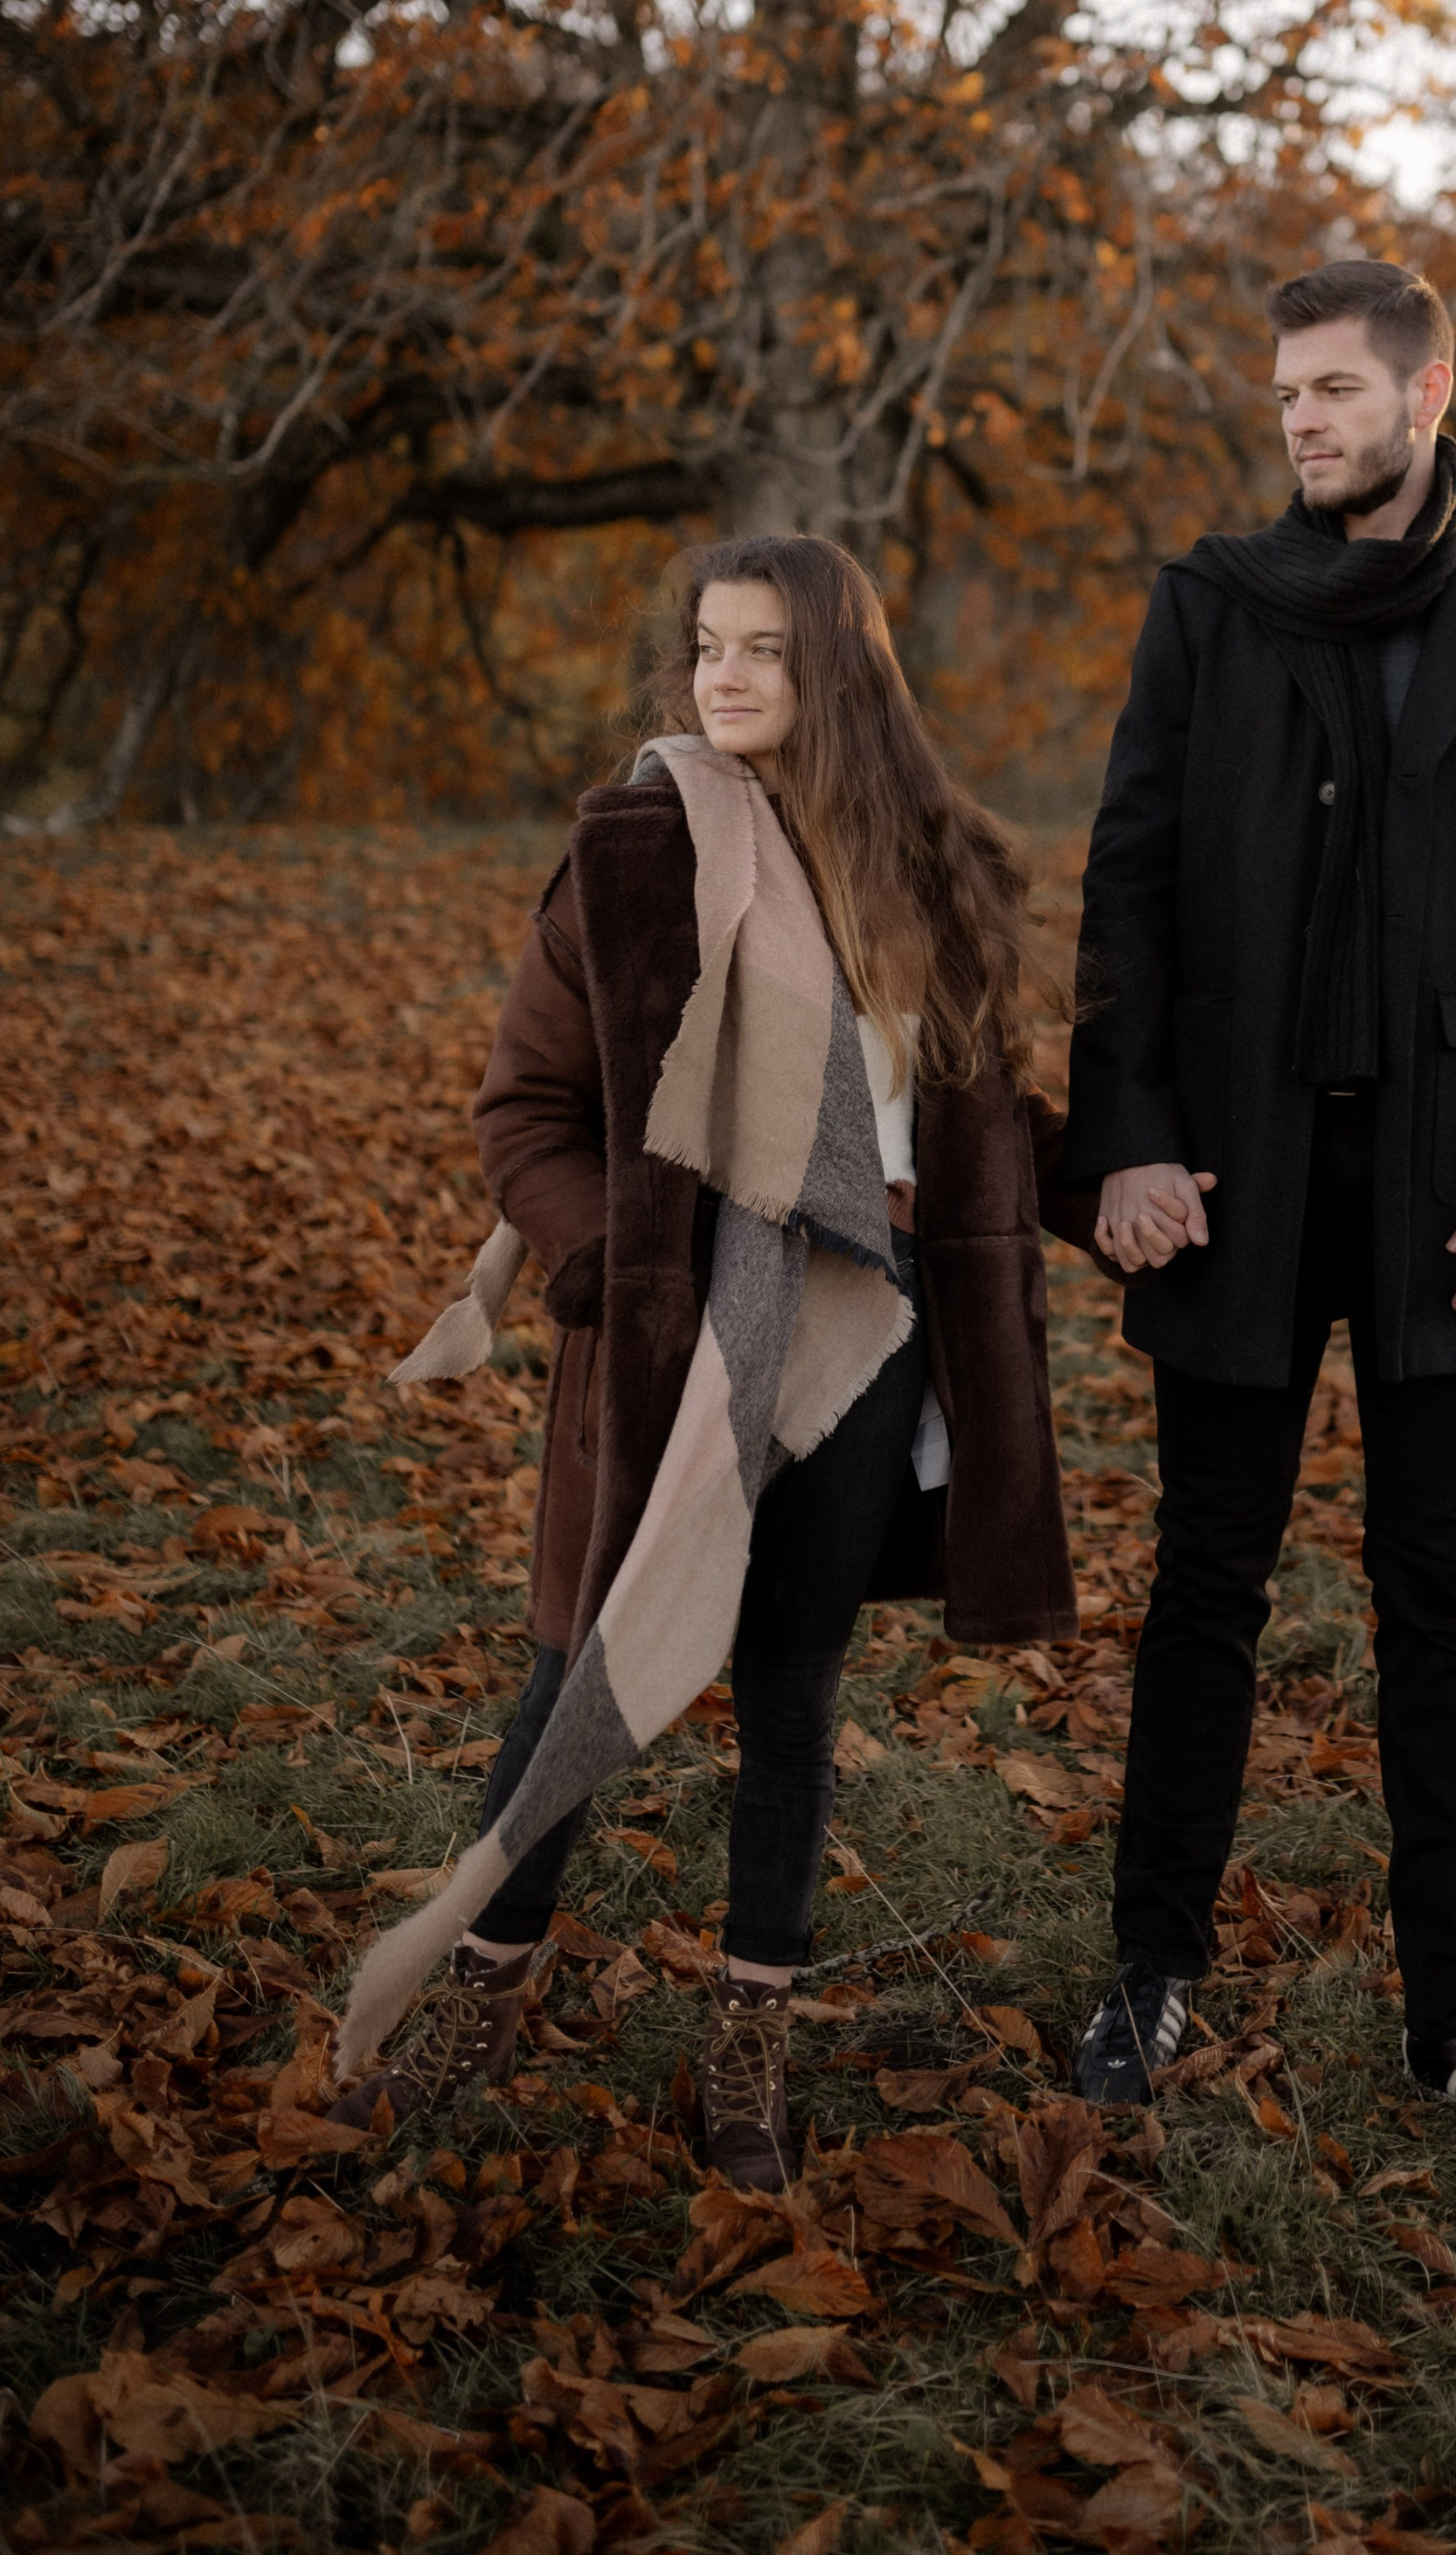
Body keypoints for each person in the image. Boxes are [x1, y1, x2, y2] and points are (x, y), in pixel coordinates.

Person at [332, 536, 1099, 2185]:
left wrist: (1126, 1186)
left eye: (765, 650)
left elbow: (979, 1124)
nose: (726, 676)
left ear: (845, 677)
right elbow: (525, 1111)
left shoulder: (936, 869)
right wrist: (615, 1267)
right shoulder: (640, 845)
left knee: (792, 1698)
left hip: (871, 1322)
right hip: (679, 1325)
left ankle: (746, 2046)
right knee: (582, 1672)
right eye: (707, 646)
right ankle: (477, 1996)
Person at [1060, 257, 1456, 2168]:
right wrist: (1124, 1138)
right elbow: (1124, 893)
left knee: (1437, 1607)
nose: (1301, 421)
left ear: (1427, 391)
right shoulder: (1208, 609)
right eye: (1285, 394)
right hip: (1230, 1175)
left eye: (1333, 389)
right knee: (1202, 1591)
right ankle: (1151, 1970)